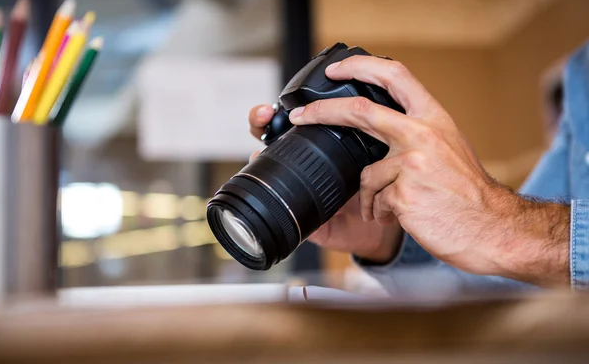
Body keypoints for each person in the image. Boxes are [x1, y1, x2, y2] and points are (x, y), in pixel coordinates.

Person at [248, 42, 589, 295]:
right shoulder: (581, 78)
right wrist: (387, 241)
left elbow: (524, 241)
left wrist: (502, 225)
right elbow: (517, 290)